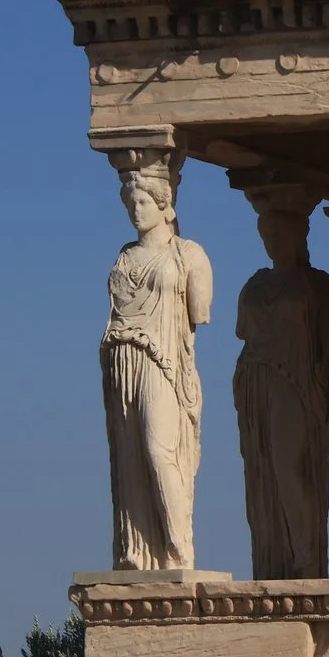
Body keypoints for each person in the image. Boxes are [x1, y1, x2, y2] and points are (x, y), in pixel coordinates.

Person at [101, 157, 213, 569]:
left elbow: (200, 311)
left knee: (157, 447)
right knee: (128, 454)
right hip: (123, 360)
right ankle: (139, 551)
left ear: (165, 204)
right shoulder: (124, 256)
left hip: (163, 361)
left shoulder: (188, 254)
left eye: (143, 201)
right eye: (130, 202)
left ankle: (179, 548)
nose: (136, 210)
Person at [233, 197, 329, 579]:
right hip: (256, 382)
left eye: (281, 234)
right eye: (268, 234)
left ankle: (306, 556)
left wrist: (326, 401)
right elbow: (244, 334)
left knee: (286, 464)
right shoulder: (255, 285)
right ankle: (276, 558)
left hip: (297, 384)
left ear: (299, 236)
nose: (273, 241)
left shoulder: (318, 285)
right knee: (263, 468)